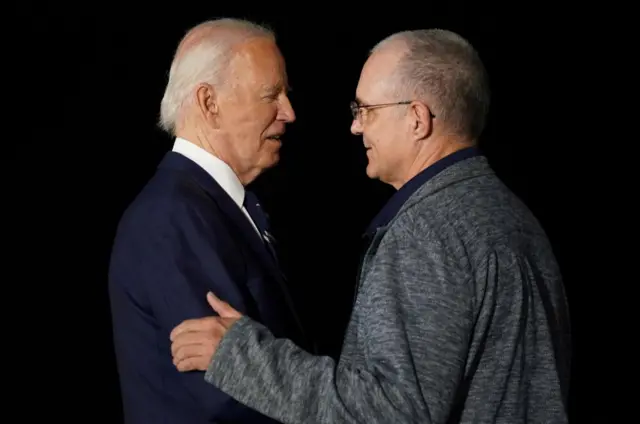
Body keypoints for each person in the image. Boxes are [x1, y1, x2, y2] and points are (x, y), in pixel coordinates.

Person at [169, 28, 572, 423]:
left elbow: (389, 412)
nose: (356, 126)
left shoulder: (426, 233)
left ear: (417, 118)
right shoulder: (514, 218)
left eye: (366, 111)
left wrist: (242, 357)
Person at [108, 18, 310, 424]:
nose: (289, 112)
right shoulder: (172, 216)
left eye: (286, 94)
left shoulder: (212, 205)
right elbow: (228, 392)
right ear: (208, 103)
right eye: (271, 95)